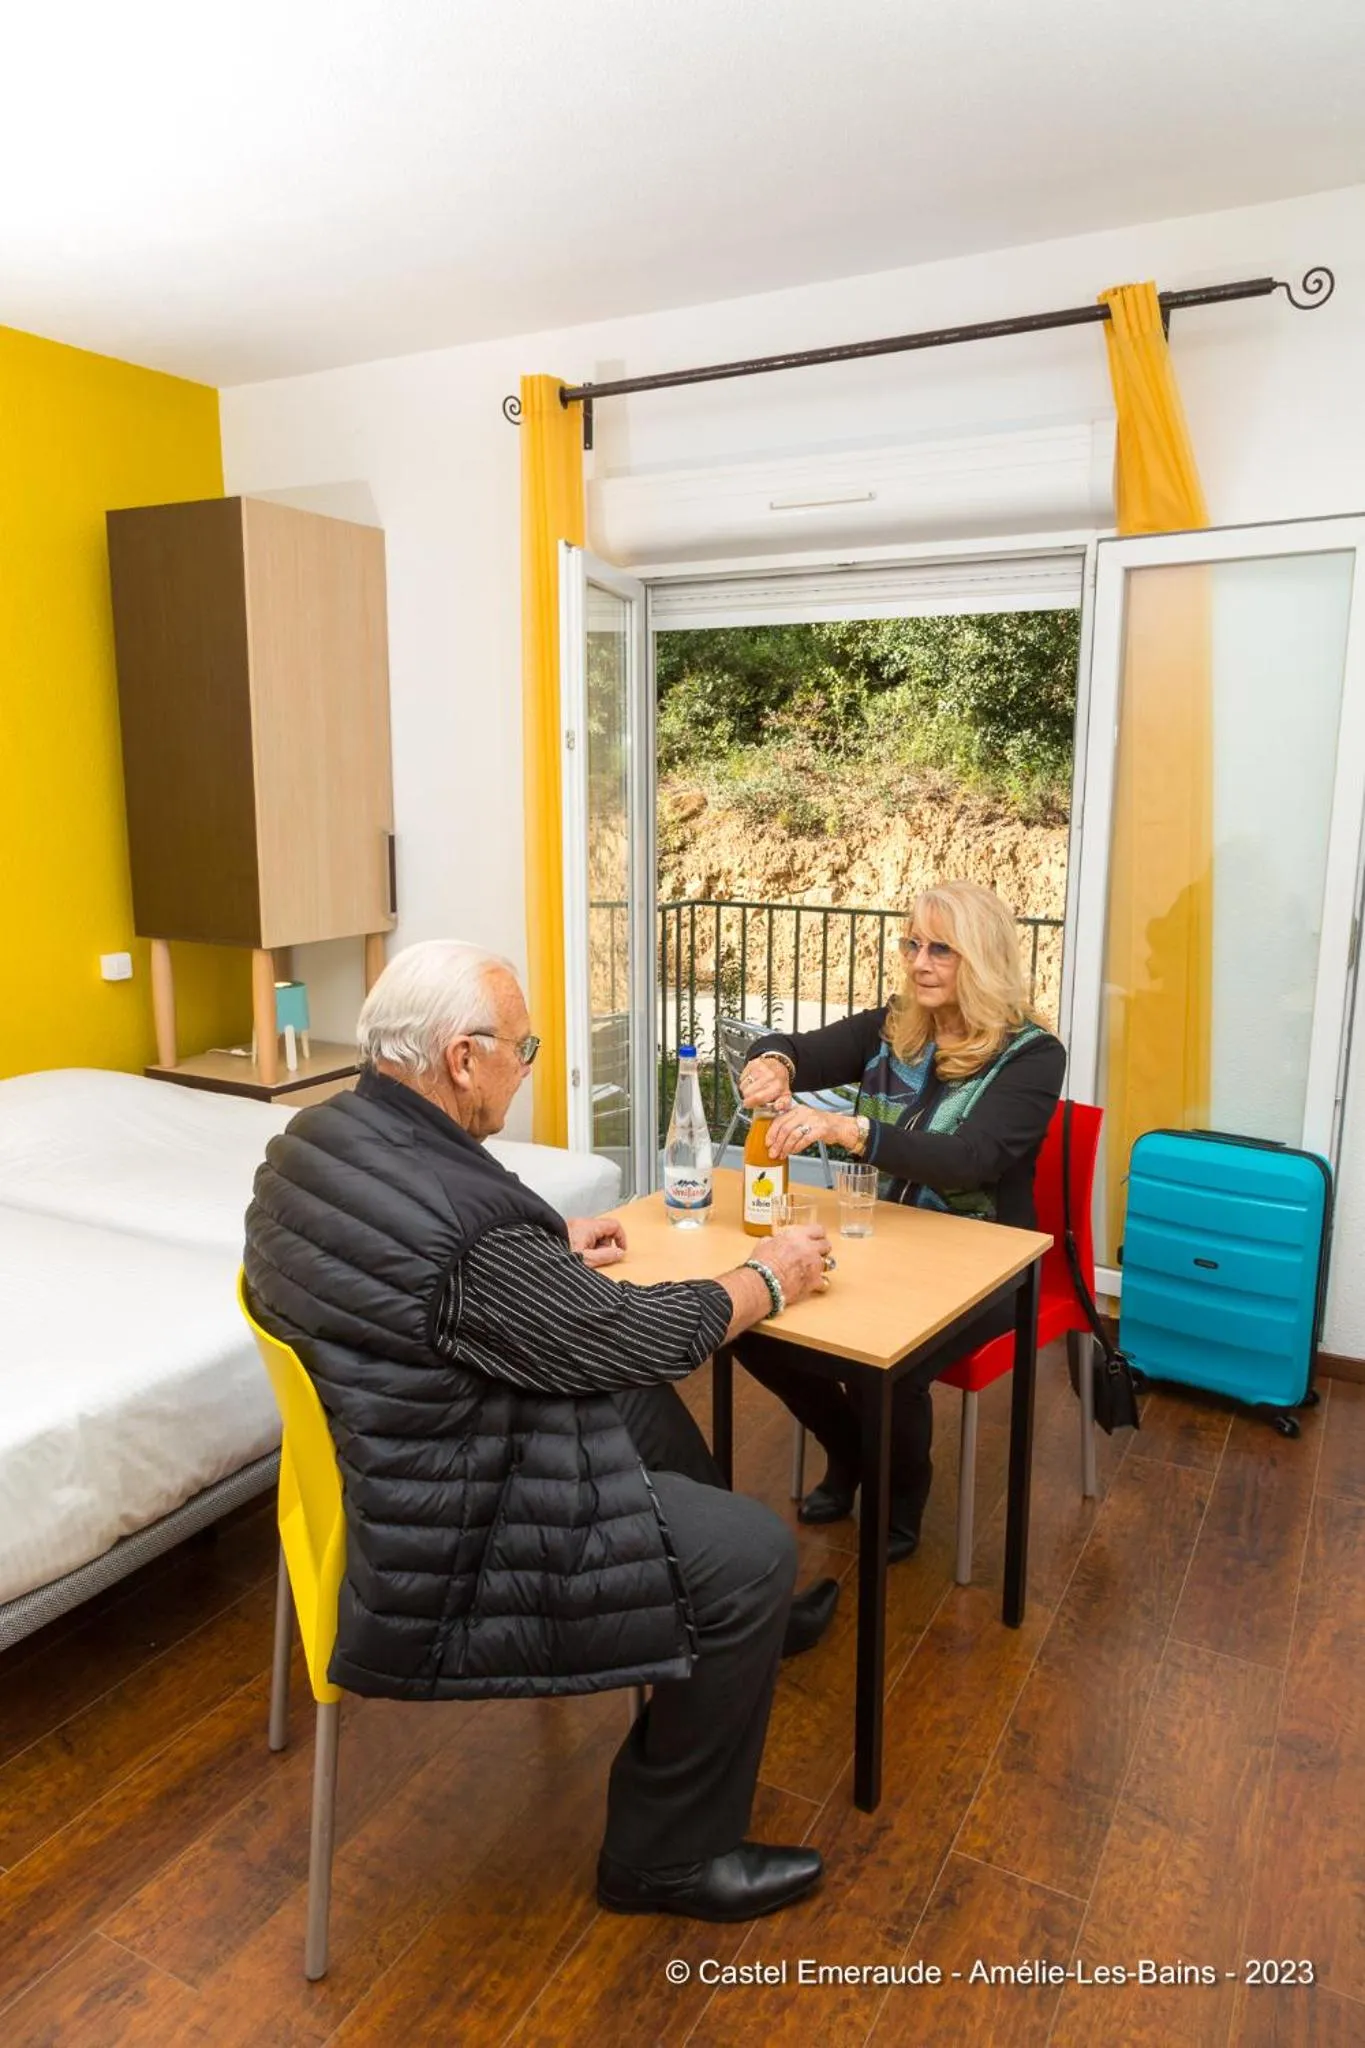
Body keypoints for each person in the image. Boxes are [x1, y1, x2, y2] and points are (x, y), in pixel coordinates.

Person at [244, 940, 843, 1925]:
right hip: (446, 1524)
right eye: (523, 1048)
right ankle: (665, 1856)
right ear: (461, 1056)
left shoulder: (315, 1140)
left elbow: (399, 1278)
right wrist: (768, 1276)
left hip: (394, 1451)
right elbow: (639, 1334)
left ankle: (737, 1625)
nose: (528, 1066)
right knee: (753, 1549)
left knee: (642, 1413)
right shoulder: (460, 1220)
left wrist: (541, 1256)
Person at [735, 881, 1065, 1559]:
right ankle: (852, 1452)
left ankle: (901, 1492)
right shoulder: (894, 1027)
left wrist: (853, 1129)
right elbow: (793, 1045)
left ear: (983, 957)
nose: (919, 963)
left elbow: (971, 1160)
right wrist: (770, 1064)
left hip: (988, 1266)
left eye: (940, 949)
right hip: (882, 1239)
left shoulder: (1031, 1056)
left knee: (893, 1364)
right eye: (911, 944)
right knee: (752, 1325)